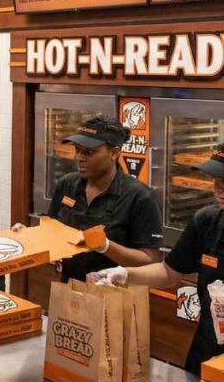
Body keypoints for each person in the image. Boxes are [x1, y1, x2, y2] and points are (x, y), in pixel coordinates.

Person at [91, 135, 224, 375]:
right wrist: (125, 274)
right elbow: (169, 272)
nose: (217, 188)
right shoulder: (206, 222)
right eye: (214, 179)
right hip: (209, 356)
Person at [15, 115, 162, 282]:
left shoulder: (139, 197)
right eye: (78, 150)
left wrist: (105, 246)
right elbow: (51, 235)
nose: (79, 158)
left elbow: (151, 261)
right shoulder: (67, 185)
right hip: (68, 289)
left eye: (89, 152)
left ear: (114, 153)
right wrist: (25, 236)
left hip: (115, 297)